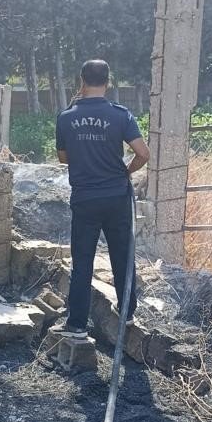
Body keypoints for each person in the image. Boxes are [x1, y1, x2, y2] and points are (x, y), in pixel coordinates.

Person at [52, 59, 150, 339]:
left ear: (81, 81)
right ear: (108, 82)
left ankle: (77, 325)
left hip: (85, 199)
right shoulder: (121, 115)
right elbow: (143, 153)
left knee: (82, 261)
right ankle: (127, 315)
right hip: (117, 196)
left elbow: (62, 157)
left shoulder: (66, 117)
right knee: (122, 256)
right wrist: (125, 170)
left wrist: (84, 154)